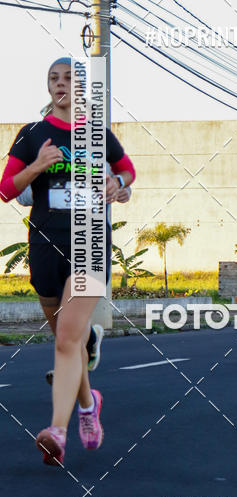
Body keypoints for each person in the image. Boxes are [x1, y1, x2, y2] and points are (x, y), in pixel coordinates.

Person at [0, 58, 135, 465]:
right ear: (48, 88)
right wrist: (38, 166)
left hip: (90, 244)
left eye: (70, 79)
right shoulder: (32, 135)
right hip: (45, 246)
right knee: (69, 342)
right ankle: (89, 404)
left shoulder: (98, 134)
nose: (61, 85)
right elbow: (6, 189)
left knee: (65, 340)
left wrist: (119, 182)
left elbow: (127, 170)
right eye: (54, 79)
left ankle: (57, 431)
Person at [16, 171, 133, 385]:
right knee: (62, 312)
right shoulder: (40, 150)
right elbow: (22, 195)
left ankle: (69, 371)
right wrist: (49, 187)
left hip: (88, 244)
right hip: (50, 244)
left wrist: (120, 191)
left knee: (71, 312)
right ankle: (90, 340)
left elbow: (122, 185)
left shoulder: (96, 146)